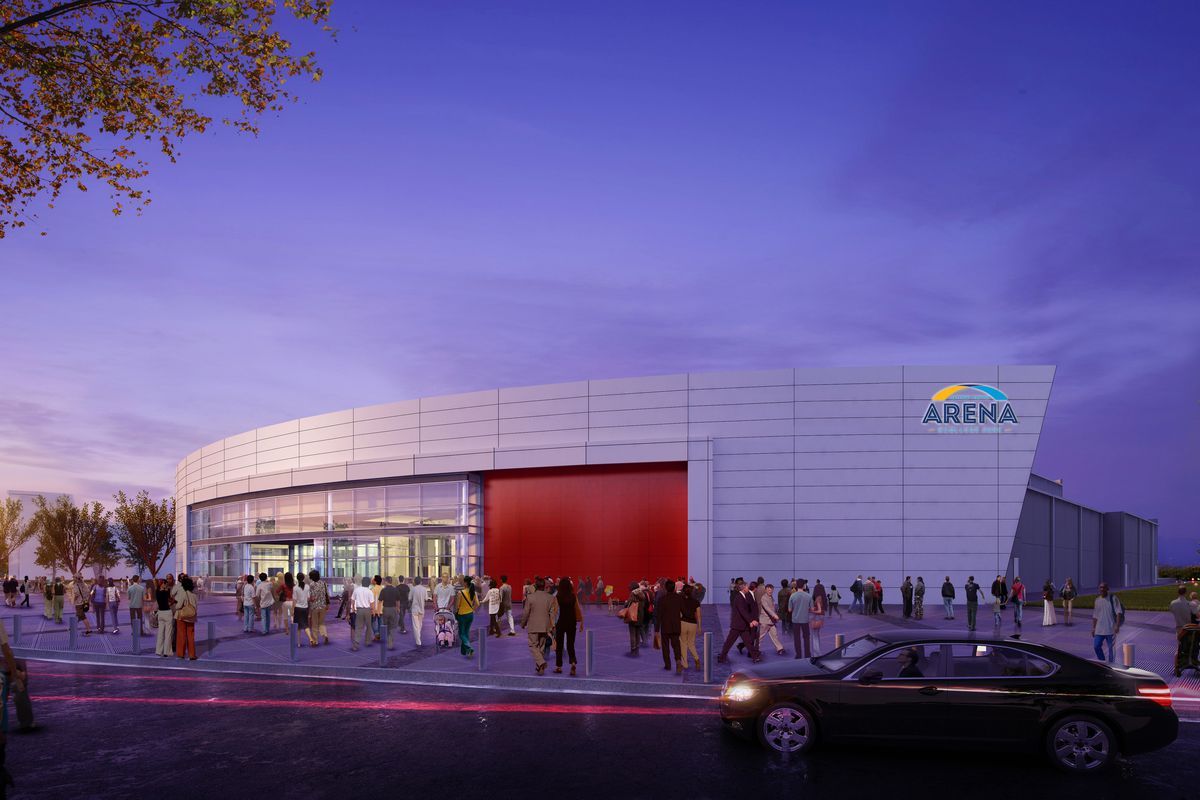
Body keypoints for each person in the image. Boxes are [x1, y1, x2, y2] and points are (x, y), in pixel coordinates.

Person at [717, 579, 760, 663]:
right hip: (737, 625)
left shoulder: (744, 596)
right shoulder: (739, 598)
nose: (748, 588)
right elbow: (742, 611)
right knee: (729, 642)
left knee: (748, 642)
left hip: (743, 625)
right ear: (744, 588)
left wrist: (749, 621)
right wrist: (751, 621)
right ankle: (722, 657)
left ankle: (755, 657)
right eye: (747, 587)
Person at [550, 577, 584, 675]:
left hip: (560, 623)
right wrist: (581, 621)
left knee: (559, 646)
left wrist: (552, 624)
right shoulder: (573, 596)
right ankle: (573, 663)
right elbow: (577, 609)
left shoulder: (558, 597)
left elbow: (555, 612)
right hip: (571, 623)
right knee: (570, 645)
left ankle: (559, 667)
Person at [521, 577, 554, 675]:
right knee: (541, 647)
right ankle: (540, 668)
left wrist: (523, 623)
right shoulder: (550, 597)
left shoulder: (530, 597)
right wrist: (552, 626)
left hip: (533, 625)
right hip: (545, 626)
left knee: (533, 645)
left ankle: (541, 663)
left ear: (535, 586)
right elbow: (552, 613)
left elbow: (526, 613)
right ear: (544, 586)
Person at [654, 578, 684, 673]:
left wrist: (656, 629)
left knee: (665, 647)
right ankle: (678, 661)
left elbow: (658, 615)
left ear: (666, 588)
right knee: (676, 645)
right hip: (676, 626)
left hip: (665, 627)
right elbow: (683, 611)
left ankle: (668, 665)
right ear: (674, 588)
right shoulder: (679, 598)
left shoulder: (662, 600)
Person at [1091, 583, 1122, 663]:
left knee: (1111, 649)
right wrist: (1093, 627)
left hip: (1110, 629)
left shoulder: (1113, 598)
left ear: (1107, 589)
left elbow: (1118, 612)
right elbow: (1095, 615)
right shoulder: (1097, 600)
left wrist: (1117, 626)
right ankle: (1103, 662)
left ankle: (1111, 665)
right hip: (1099, 629)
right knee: (1096, 646)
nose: (1102, 589)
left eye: (1104, 587)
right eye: (1100, 587)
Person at [174, 575, 198, 660]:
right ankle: (192, 654)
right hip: (191, 617)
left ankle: (181, 653)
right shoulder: (194, 595)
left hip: (182, 617)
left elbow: (178, 606)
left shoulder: (183, 594)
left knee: (181, 635)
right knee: (190, 636)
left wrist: (175, 605)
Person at [757, 583, 785, 656]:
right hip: (765, 621)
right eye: (768, 590)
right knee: (760, 637)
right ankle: (755, 650)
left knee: (774, 635)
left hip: (771, 621)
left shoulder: (771, 597)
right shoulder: (763, 598)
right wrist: (775, 615)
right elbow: (767, 608)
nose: (770, 591)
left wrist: (776, 615)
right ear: (765, 590)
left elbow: (772, 608)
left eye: (771, 590)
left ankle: (780, 648)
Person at [787, 579, 813, 659]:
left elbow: (790, 610)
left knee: (797, 638)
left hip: (795, 620)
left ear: (796, 585)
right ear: (804, 585)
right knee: (806, 638)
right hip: (805, 620)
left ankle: (798, 655)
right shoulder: (809, 596)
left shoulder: (792, 596)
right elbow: (811, 609)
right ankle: (807, 654)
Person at [453, 576, 478, 657]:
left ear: (465, 583)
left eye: (463, 582)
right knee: (466, 632)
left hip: (462, 615)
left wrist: (455, 612)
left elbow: (457, 605)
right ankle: (465, 651)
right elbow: (477, 603)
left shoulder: (461, 592)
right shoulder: (473, 592)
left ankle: (469, 647)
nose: (462, 583)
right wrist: (472, 609)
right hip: (470, 615)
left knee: (461, 633)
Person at [680, 583, 702, 670]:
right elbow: (699, 616)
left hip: (683, 623)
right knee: (691, 644)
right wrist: (699, 627)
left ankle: (685, 664)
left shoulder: (680, 601)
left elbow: (679, 614)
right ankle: (697, 659)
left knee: (683, 644)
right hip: (693, 624)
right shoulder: (696, 602)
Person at [378, 576, 402, 649]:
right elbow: (398, 600)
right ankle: (390, 643)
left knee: (385, 625)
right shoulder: (396, 590)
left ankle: (386, 640)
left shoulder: (383, 590)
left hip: (385, 609)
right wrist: (398, 608)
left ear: (386, 581)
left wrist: (379, 610)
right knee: (392, 626)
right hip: (393, 609)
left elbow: (380, 601)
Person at [307, 569, 329, 646]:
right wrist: (327, 604)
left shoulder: (311, 585)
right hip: (323, 606)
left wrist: (309, 599)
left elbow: (311, 597)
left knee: (314, 624)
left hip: (314, 607)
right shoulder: (324, 584)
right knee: (322, 623)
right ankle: (325, 635)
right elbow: (327, 595)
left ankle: (315, 641)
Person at [622, 582, 644, 653]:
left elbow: (628, 603)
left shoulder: (633, 593)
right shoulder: (642, 593)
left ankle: (633, 648)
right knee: (637, 632)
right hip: (640, 615)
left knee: (632, 633)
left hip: (633, 615)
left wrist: (625, 603)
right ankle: (637, 647)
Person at [154, 578, 174, 656]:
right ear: (163, 584)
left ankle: (158, 651)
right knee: (168, 633)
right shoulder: (167, 592)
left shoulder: (157, 592)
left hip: (160, 613)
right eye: (165, 583)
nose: (166, 585)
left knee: (160, 633)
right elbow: (171, 600)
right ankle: (167, 652)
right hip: (167, 612)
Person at [409, 577, 429, 645]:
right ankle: (418, 639)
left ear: (415, 581)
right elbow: (426, 599)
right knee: (420, 625)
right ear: (421, 581)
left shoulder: (413, 589)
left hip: (414, 609)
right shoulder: (424, 589)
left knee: (416, 626)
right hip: (422, 609)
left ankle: (418, 641)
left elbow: (409, 598)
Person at [293, 572, 310, 645]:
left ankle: (299, 643)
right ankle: (310, 638)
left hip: (298, 608)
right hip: (305, 608)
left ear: (297, 578)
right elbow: (308, 598)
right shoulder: (307, 586)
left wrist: (292, 611)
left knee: (298, 627)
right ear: (303, 578)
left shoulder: (295, 588)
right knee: (306, 625)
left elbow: (294, 600)